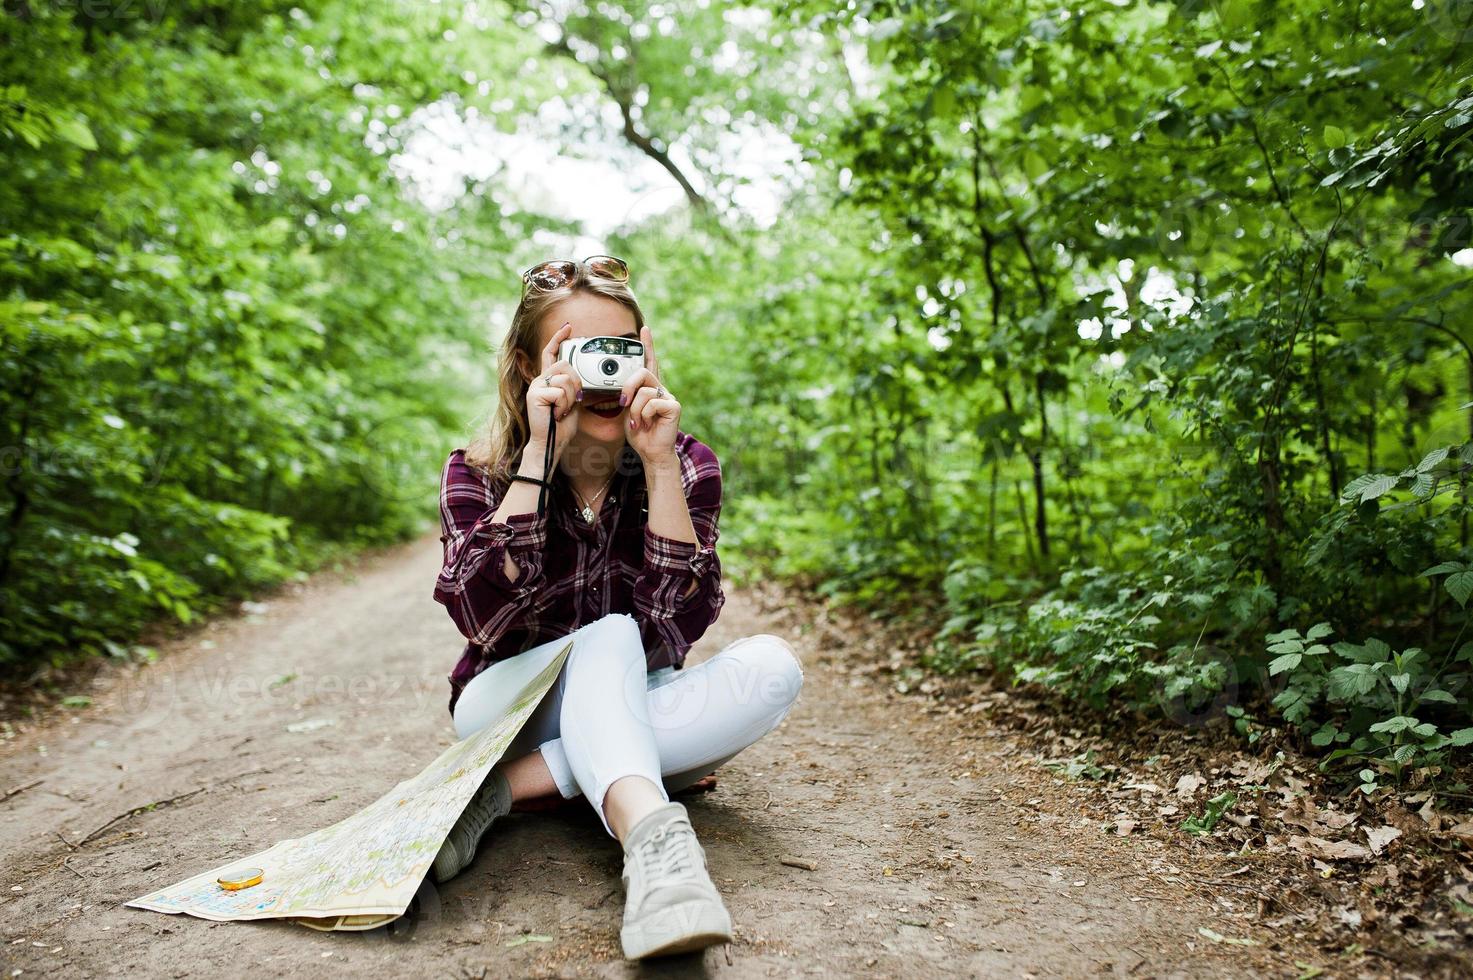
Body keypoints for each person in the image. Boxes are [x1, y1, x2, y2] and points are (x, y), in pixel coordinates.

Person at [430, 254, 804, 960]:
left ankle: (502, 793)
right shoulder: (479, 472)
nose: (605, 376)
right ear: (526, 366)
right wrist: (542, 452)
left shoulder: (686, 461)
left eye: (621, 353)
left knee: (772, 668)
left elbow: (673, 627)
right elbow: (483, 621)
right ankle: (657, 848)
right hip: (504, 707)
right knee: (609, 638)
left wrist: (658, 464)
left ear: (647, 358)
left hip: (635, 694)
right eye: (581, 355)